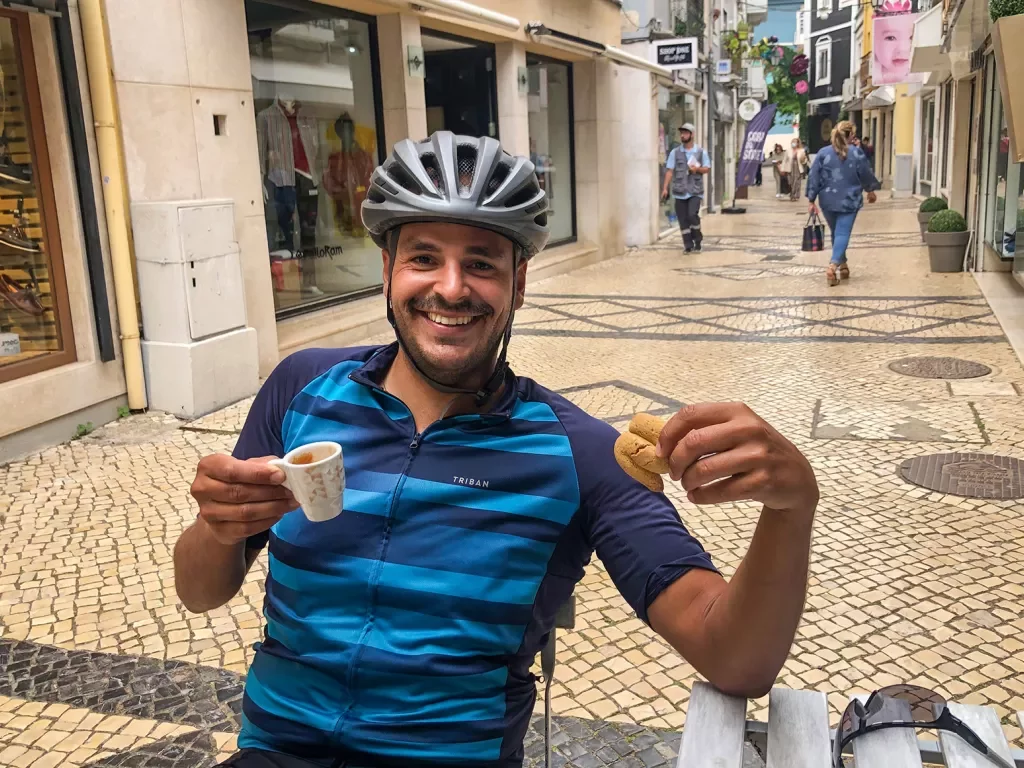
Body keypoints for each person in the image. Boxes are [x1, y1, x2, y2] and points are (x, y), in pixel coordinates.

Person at [175, 131, 819, 768]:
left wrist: (792, 506)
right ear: (387, 271)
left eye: (481, 263)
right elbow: (200, 590)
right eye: (424, 257)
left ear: (519, 282)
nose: (451, 288)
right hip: (275, 753)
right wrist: (218, 526)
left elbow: (734, 657)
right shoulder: (302, 388)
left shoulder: (582, 453)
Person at [806, 120, 881, 287]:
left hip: (827, 200)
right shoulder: (856, 153)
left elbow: (814, 177)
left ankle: (844, 265)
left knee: (837, 232)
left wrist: (811, 199)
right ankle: (833, 266)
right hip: (849, 199)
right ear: (850, 135)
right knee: (842, 233)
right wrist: (870, 190)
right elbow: (865, 173)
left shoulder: (823, 153)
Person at [661, 123, 711, 252]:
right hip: (680, 191)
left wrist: (697, 169)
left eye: (686, 133)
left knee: (691, 215)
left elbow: (707, 169)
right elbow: (669, 171)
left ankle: (697, 238)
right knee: (682, 220)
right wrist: (665, 188)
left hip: (695, 191)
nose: (683, 135)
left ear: (692, 135)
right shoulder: (675, 152)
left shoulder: (700, 152)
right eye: (681, 133)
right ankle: (688, 246)